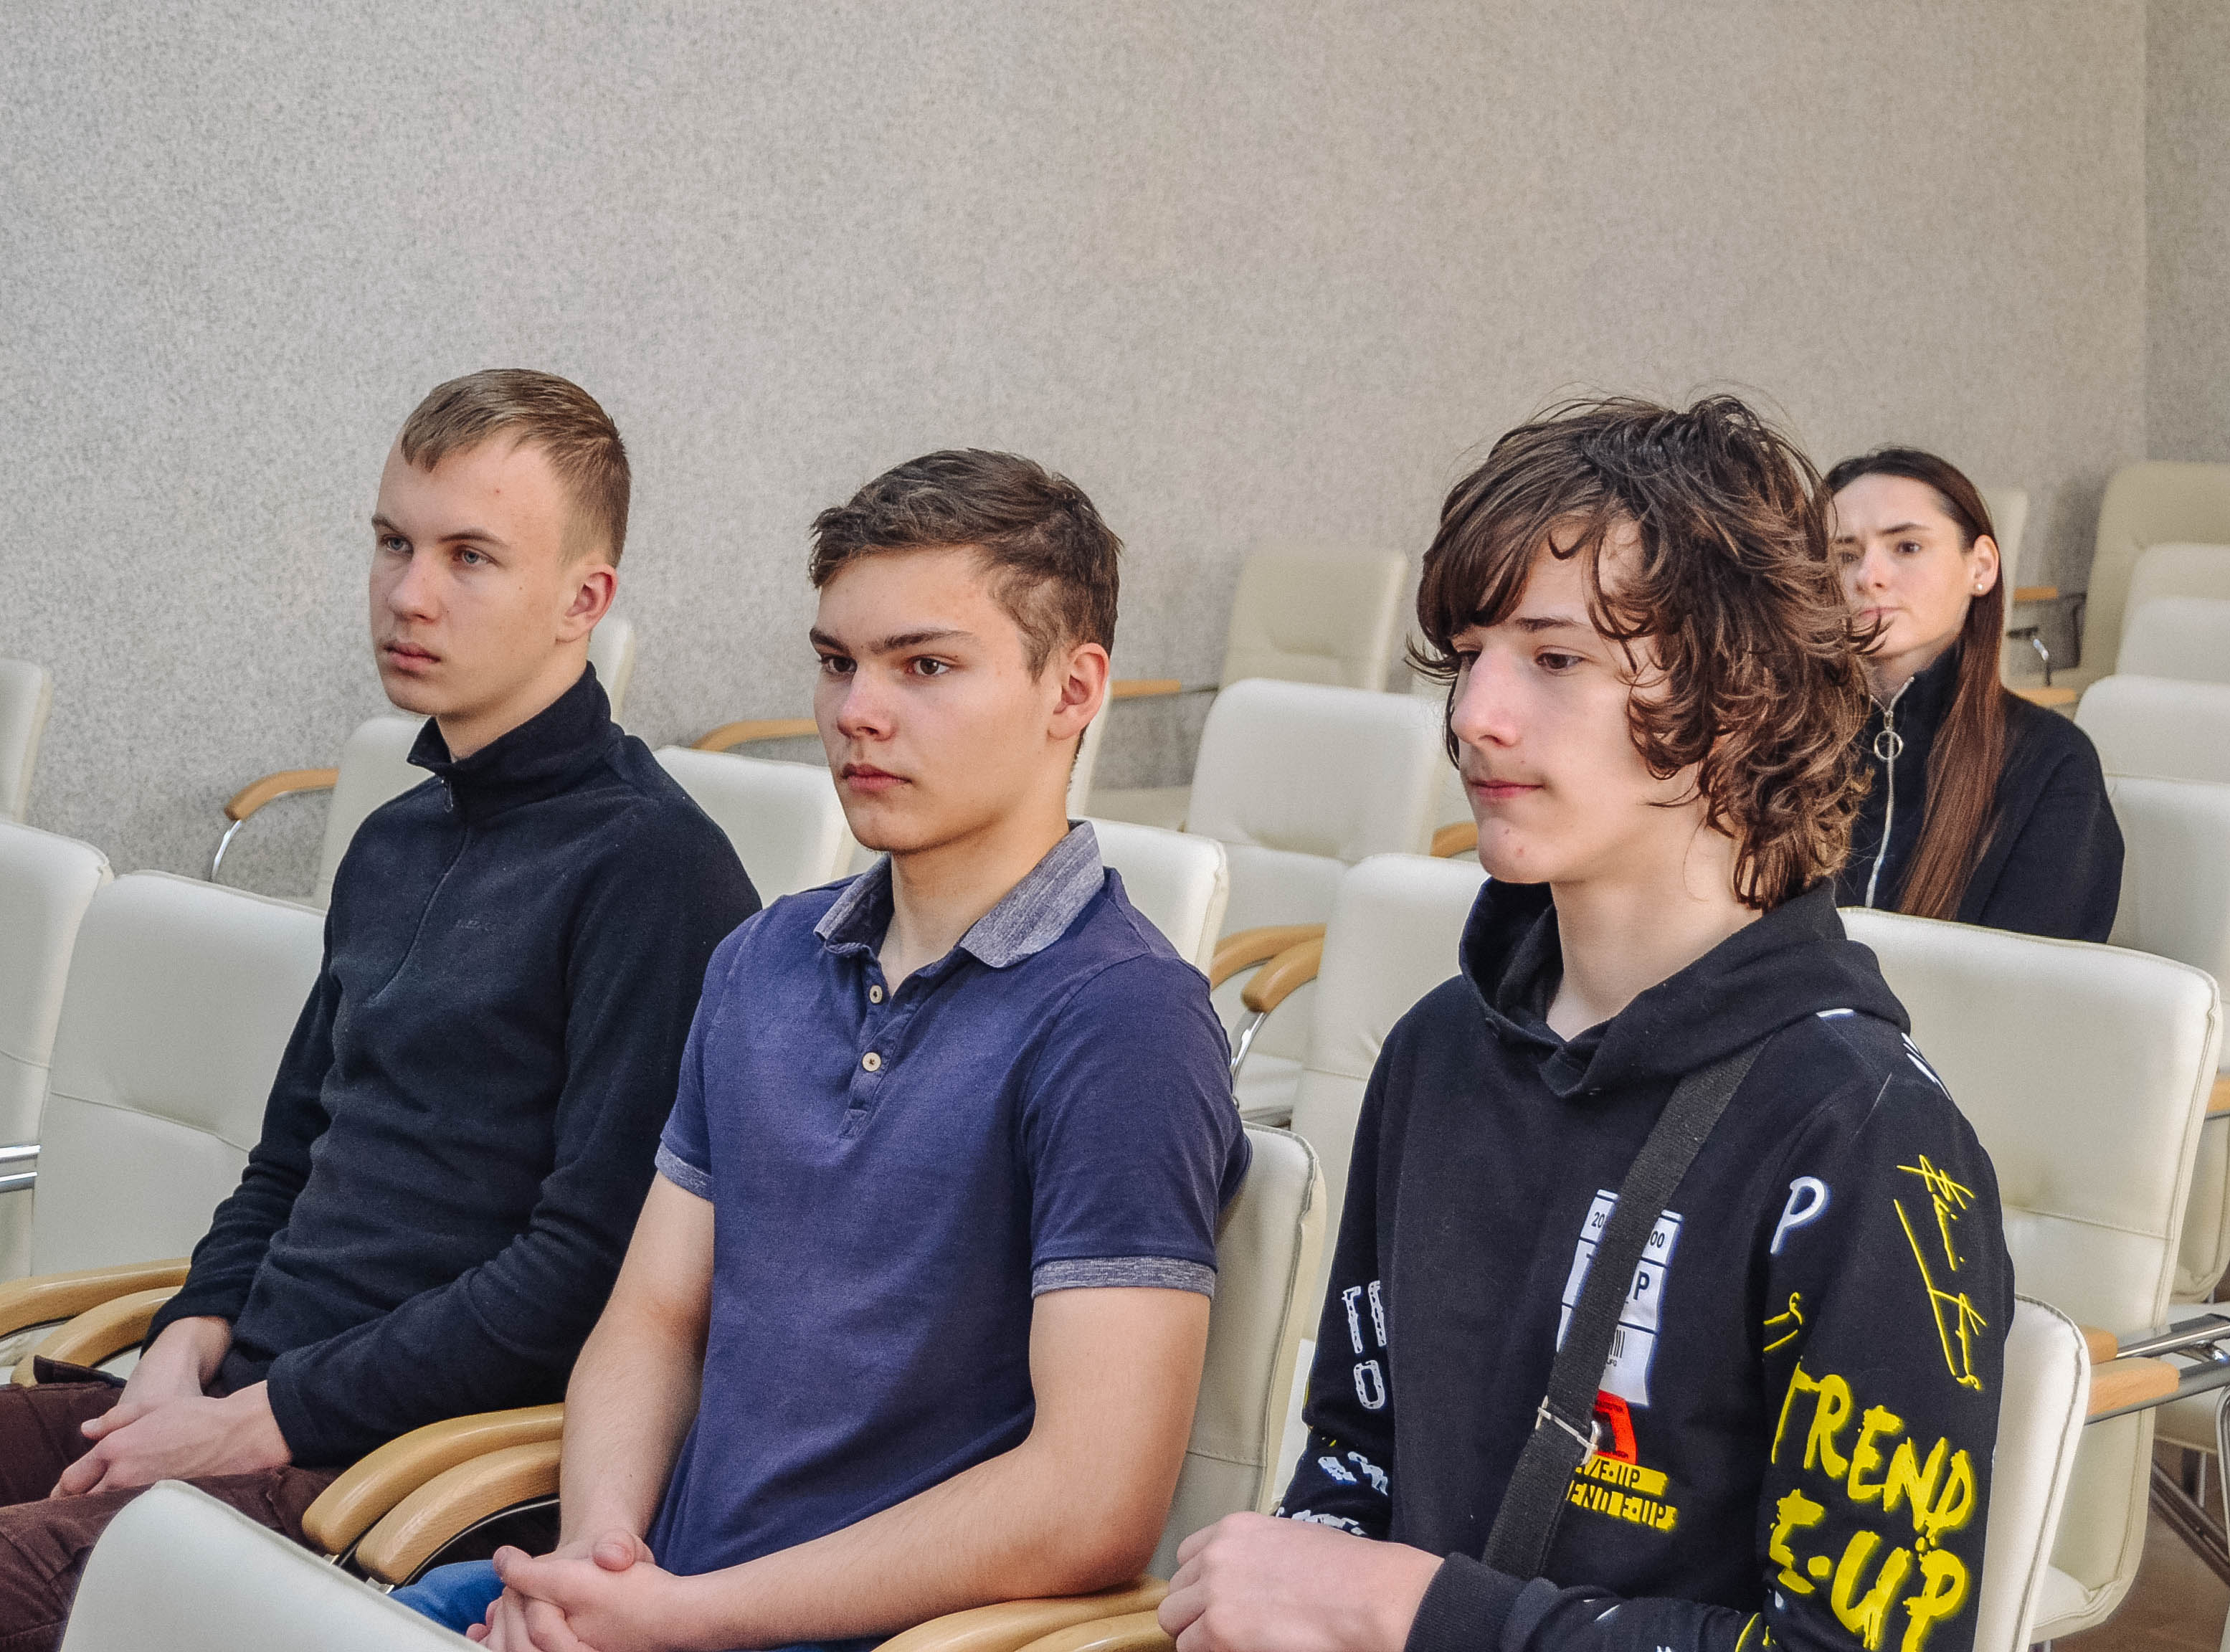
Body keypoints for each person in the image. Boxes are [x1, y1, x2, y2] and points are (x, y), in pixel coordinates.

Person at [1159, 398, 2012, 1652]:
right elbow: (1359, 1450)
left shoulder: (1862, 1134)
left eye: (1555, 660)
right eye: (1470, 657)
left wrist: (1409, 1611)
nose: (1475, 716)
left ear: (1740, 696)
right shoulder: (1437, 1050)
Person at [397, 450, 1249, 1652]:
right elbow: (653, 1319)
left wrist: (681, 1618)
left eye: (926, 666)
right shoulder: (763, 958)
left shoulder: (1124, 1022)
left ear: (1073, 690)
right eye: (839, 662)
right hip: (651, 1593)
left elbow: (1091, 1499)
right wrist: (596, 1564)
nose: (858, 712)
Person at [0, 370, 760, 1646]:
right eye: (394, 543)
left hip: (387, 1472)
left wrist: (259, 1419)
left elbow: (584, 1270)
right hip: (241, 1396)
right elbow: (288, 1158)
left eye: (471, 556)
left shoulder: (654, 871)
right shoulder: (396, 839)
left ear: (585, 599)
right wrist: (187, 1336)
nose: (409, 593)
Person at [1824, 447, 2121, 941]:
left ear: (1980, 567)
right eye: (1845, 555)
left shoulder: (2051, 762)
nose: (1868, 576)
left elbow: (2033, 974)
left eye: (1907, 547)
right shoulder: (1788, 749)